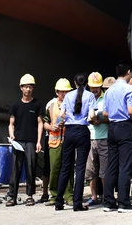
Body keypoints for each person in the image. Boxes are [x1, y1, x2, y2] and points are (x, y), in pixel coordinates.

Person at [102, 63, 132, 212]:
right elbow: (131, 110)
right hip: (125, 127)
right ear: (128, 72)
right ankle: (124, 202)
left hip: (112, 128)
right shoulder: (129, 89)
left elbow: (105, 113)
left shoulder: (109, 90)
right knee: (125, 166)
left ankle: (108, 202)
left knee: (112, 166)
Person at [55, 73, 97, 211]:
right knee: (80, 168)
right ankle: (77, 203)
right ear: (86, 84)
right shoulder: (90, 96)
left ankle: (58, 202)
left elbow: (61, 114)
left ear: (75, 83)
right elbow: (91, 116)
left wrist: (69, 118)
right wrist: (90, 119)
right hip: (82, 131)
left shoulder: (68, 95)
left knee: (65, 167)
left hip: (69, 132)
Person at [7, 73, 44, 207]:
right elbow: (11, 123)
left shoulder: (37, 104)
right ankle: (12, 197)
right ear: (21, 88)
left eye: (30, 87)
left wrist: (39, 141)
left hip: (31, 142)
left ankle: (29, 196)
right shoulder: (16, 106)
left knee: (30, 168)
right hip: (18, 142)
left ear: (33, 88)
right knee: (15, 169)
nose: (28, 89)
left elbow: (40, 123)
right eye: (25, 87)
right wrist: (11, 135)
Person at [44, 78, 74, 206]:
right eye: (62, 92)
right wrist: (51, 127)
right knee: (54, 169)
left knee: (68, 169)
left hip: (68, 141)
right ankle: (54, 195)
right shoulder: (51, 106)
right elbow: (44, 122)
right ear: (57, 92)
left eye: (66, 91)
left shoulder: (73, 105)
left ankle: (69, 196)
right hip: (54, 142)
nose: (64, 94)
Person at [85, 72, 109, 206]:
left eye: (97, 87)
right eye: (92, 87)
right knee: (90, 170)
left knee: (104, 170)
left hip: (104, 137)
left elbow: (112, 117)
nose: (94, 90)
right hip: (89, 138)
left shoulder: (106, 99)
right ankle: (94, 197)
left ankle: (106, 197)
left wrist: (101, 120)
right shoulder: (86, 98)